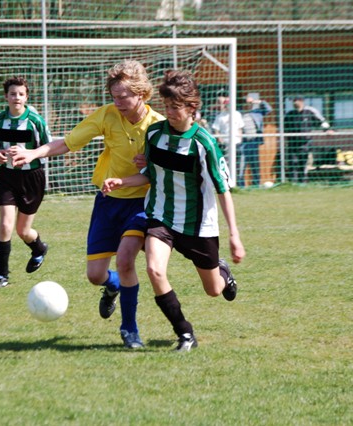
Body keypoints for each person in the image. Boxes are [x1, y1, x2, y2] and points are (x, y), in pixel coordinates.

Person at [12, 60, 165, 349]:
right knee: (96, 276)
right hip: (108, 203)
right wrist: (33, 153)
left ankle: (129, 329)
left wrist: (153, 165)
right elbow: (68, 143)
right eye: (114, 96)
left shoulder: (158, 126)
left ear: (142, 93)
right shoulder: (107, 116)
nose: (117, 102)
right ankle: (113, 286)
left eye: (124, 97)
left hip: (142, 204)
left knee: (126, 260)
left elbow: (169, 165)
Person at [101, 70, 246, 352]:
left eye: (175, 108)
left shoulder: (204, 143)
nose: (169, 113)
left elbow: (222, 190)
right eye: (166, 106)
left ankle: (222, 271)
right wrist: (123, 181)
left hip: (197, 225)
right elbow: (150, 175)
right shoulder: (155, 134)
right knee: (154, 269)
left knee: (214, 290)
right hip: (161, 217)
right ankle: (185, 332)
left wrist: (234, 236)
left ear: (192, 108)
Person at [0, 76, 52, 288]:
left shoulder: (36, 121)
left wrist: (29, 153)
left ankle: (39, 248)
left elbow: (48, 147)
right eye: (13, 93)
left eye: (21, 94)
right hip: (8, 176)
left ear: (26, 97)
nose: (17, 97)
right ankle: (1, 275)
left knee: (23, 231)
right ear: (6, 96)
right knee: (6, 224)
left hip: (32, 178)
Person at [283, 96, 333, 183]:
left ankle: (303, 182)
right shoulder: (290, 114)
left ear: (302, 101)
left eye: (296, 101)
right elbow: (285, 127)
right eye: (293, 101)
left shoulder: (309, 111)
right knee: (292, 163)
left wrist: (327, 129)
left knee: (303, 163)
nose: (295, 103)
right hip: (292, 143)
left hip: (305, 143)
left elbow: (321, 121)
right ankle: (293, 183)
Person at [239, 94, 272, 187]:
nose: (248, 104)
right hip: (242, 143)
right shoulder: (239, 113)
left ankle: (256, 184)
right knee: (241, 165)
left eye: (250, 103)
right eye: (246, 102)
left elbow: (269, 109)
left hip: (254, 142)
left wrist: (259, 101)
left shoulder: (257, 112)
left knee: (255, 165)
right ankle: (240, 185)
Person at [211, 93, 244, 161]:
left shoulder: (237, 114)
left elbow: (240, 128)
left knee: (237, 161)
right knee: (227, 161)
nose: (229, 106)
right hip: (226, 142)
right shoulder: (220, 116)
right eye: (227, 104)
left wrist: (240, 139)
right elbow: (216, 129)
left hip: (236, 142)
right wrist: (221, 140)